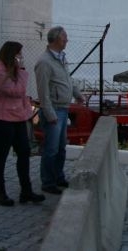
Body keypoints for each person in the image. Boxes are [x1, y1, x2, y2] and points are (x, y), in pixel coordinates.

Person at [0, 41, 45, 206]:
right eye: (19, 54)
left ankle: (26, 191)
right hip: (0, 119)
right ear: (12, 55)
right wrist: (22, 70)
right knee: (1, 156)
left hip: (17, 118)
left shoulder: (12, 70)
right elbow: (16, 91)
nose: (21, 57)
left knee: (24, 152)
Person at [34, 26, 84, 195]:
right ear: (55, 40)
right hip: (54, 109)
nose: (66, 41)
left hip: (63, 107)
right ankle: (48, 181)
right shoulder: (44, 62)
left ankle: (58, 176)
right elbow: (43, 91)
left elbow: (67, 79)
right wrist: (49, 113)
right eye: (64, 38)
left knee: (61, 147)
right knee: (51, 148)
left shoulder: (61, 58)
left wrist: (77, 94)